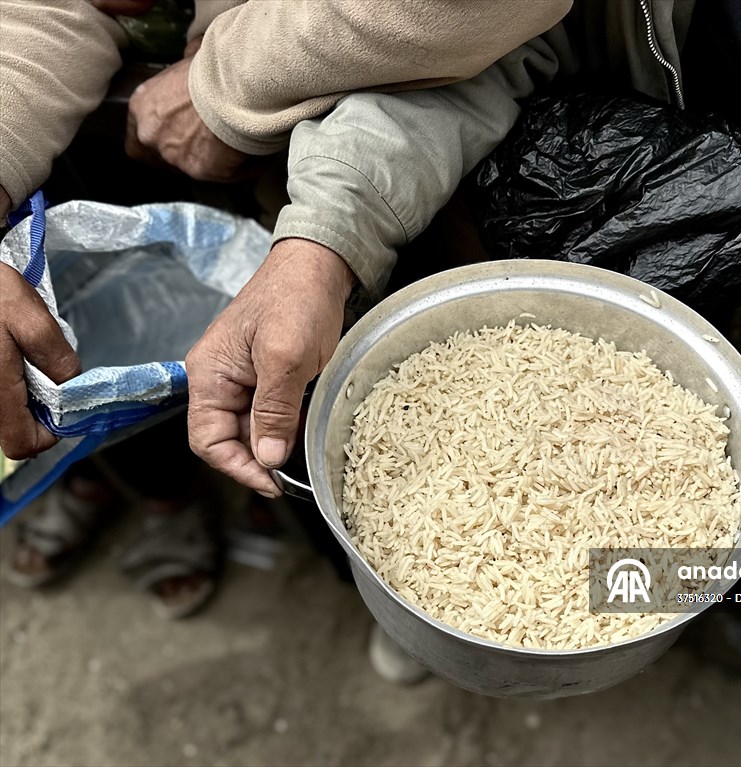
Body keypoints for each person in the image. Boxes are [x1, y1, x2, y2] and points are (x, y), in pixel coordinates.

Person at [185, 0, 741, 574]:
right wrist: (327, 230)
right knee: (598, 535)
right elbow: (480, 41)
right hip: (639, 212)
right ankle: (507, 635)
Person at [0, 0, 573, 617]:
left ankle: (479, 599)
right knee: (217, 379)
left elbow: (490, 25)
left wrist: (222, 86)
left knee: (660, 571)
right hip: (201, 135)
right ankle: (167, 500)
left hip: (420, 127)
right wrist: (321, 240)